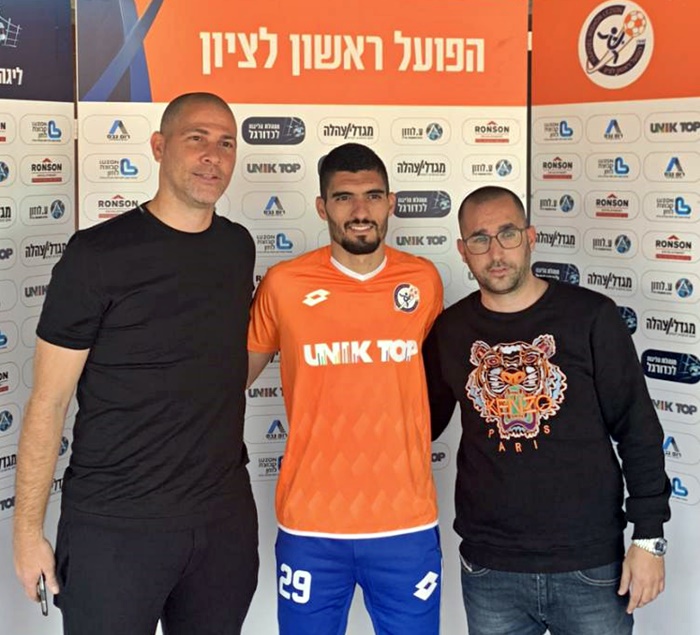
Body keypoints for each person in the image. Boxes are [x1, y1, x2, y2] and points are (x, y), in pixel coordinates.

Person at [13, 92, 259, 635]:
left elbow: (220, 366)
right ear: (158, 146)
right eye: (196, 138)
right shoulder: (96, 255)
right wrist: (27, 533)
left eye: (226, 143)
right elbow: (49, 401)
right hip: (114, 528)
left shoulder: (238, 247)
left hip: (222, 524)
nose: (213, 156)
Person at [424, 185, 671, 635]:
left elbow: (638, 429)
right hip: (490, 566)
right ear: (462, 250)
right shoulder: (451, 331)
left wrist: (649, 537)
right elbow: (418, 424)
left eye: (507, 234)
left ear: (530, 237)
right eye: (479, 239)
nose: (495, 252)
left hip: (591, 563)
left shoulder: (590, 317)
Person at [247, 143, 444, 635]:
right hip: (310, 524)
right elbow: (231, 382)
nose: (360, 211)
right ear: (322, 206)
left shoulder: (423, 280)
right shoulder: (284, 284)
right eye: (343, 198)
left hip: (406, 522)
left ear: (390, 202)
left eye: (373, 196)